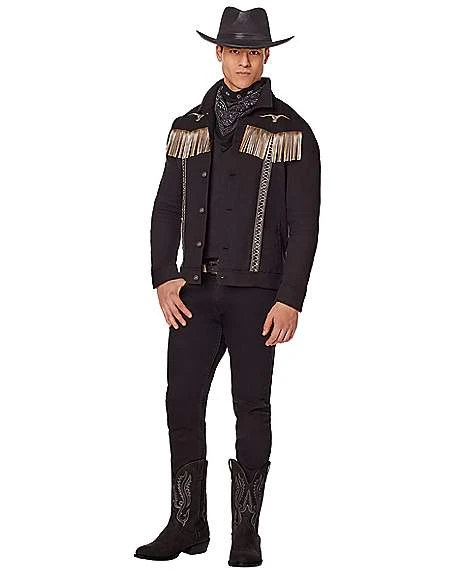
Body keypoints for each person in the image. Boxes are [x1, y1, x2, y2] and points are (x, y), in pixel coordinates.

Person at [134, 6, 321, 567]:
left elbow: (304, 224)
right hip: (193, 292)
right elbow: (165, 208)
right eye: (235, 50)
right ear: (218, 52)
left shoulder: (292, 131)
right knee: (181, 401)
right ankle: (187, 524)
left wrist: (290, 298)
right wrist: (163, 276)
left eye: (254, 52)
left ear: (265, 57)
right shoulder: (188, 126)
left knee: (251, 406)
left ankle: (246, 533)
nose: (244, 61)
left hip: (258, 296)